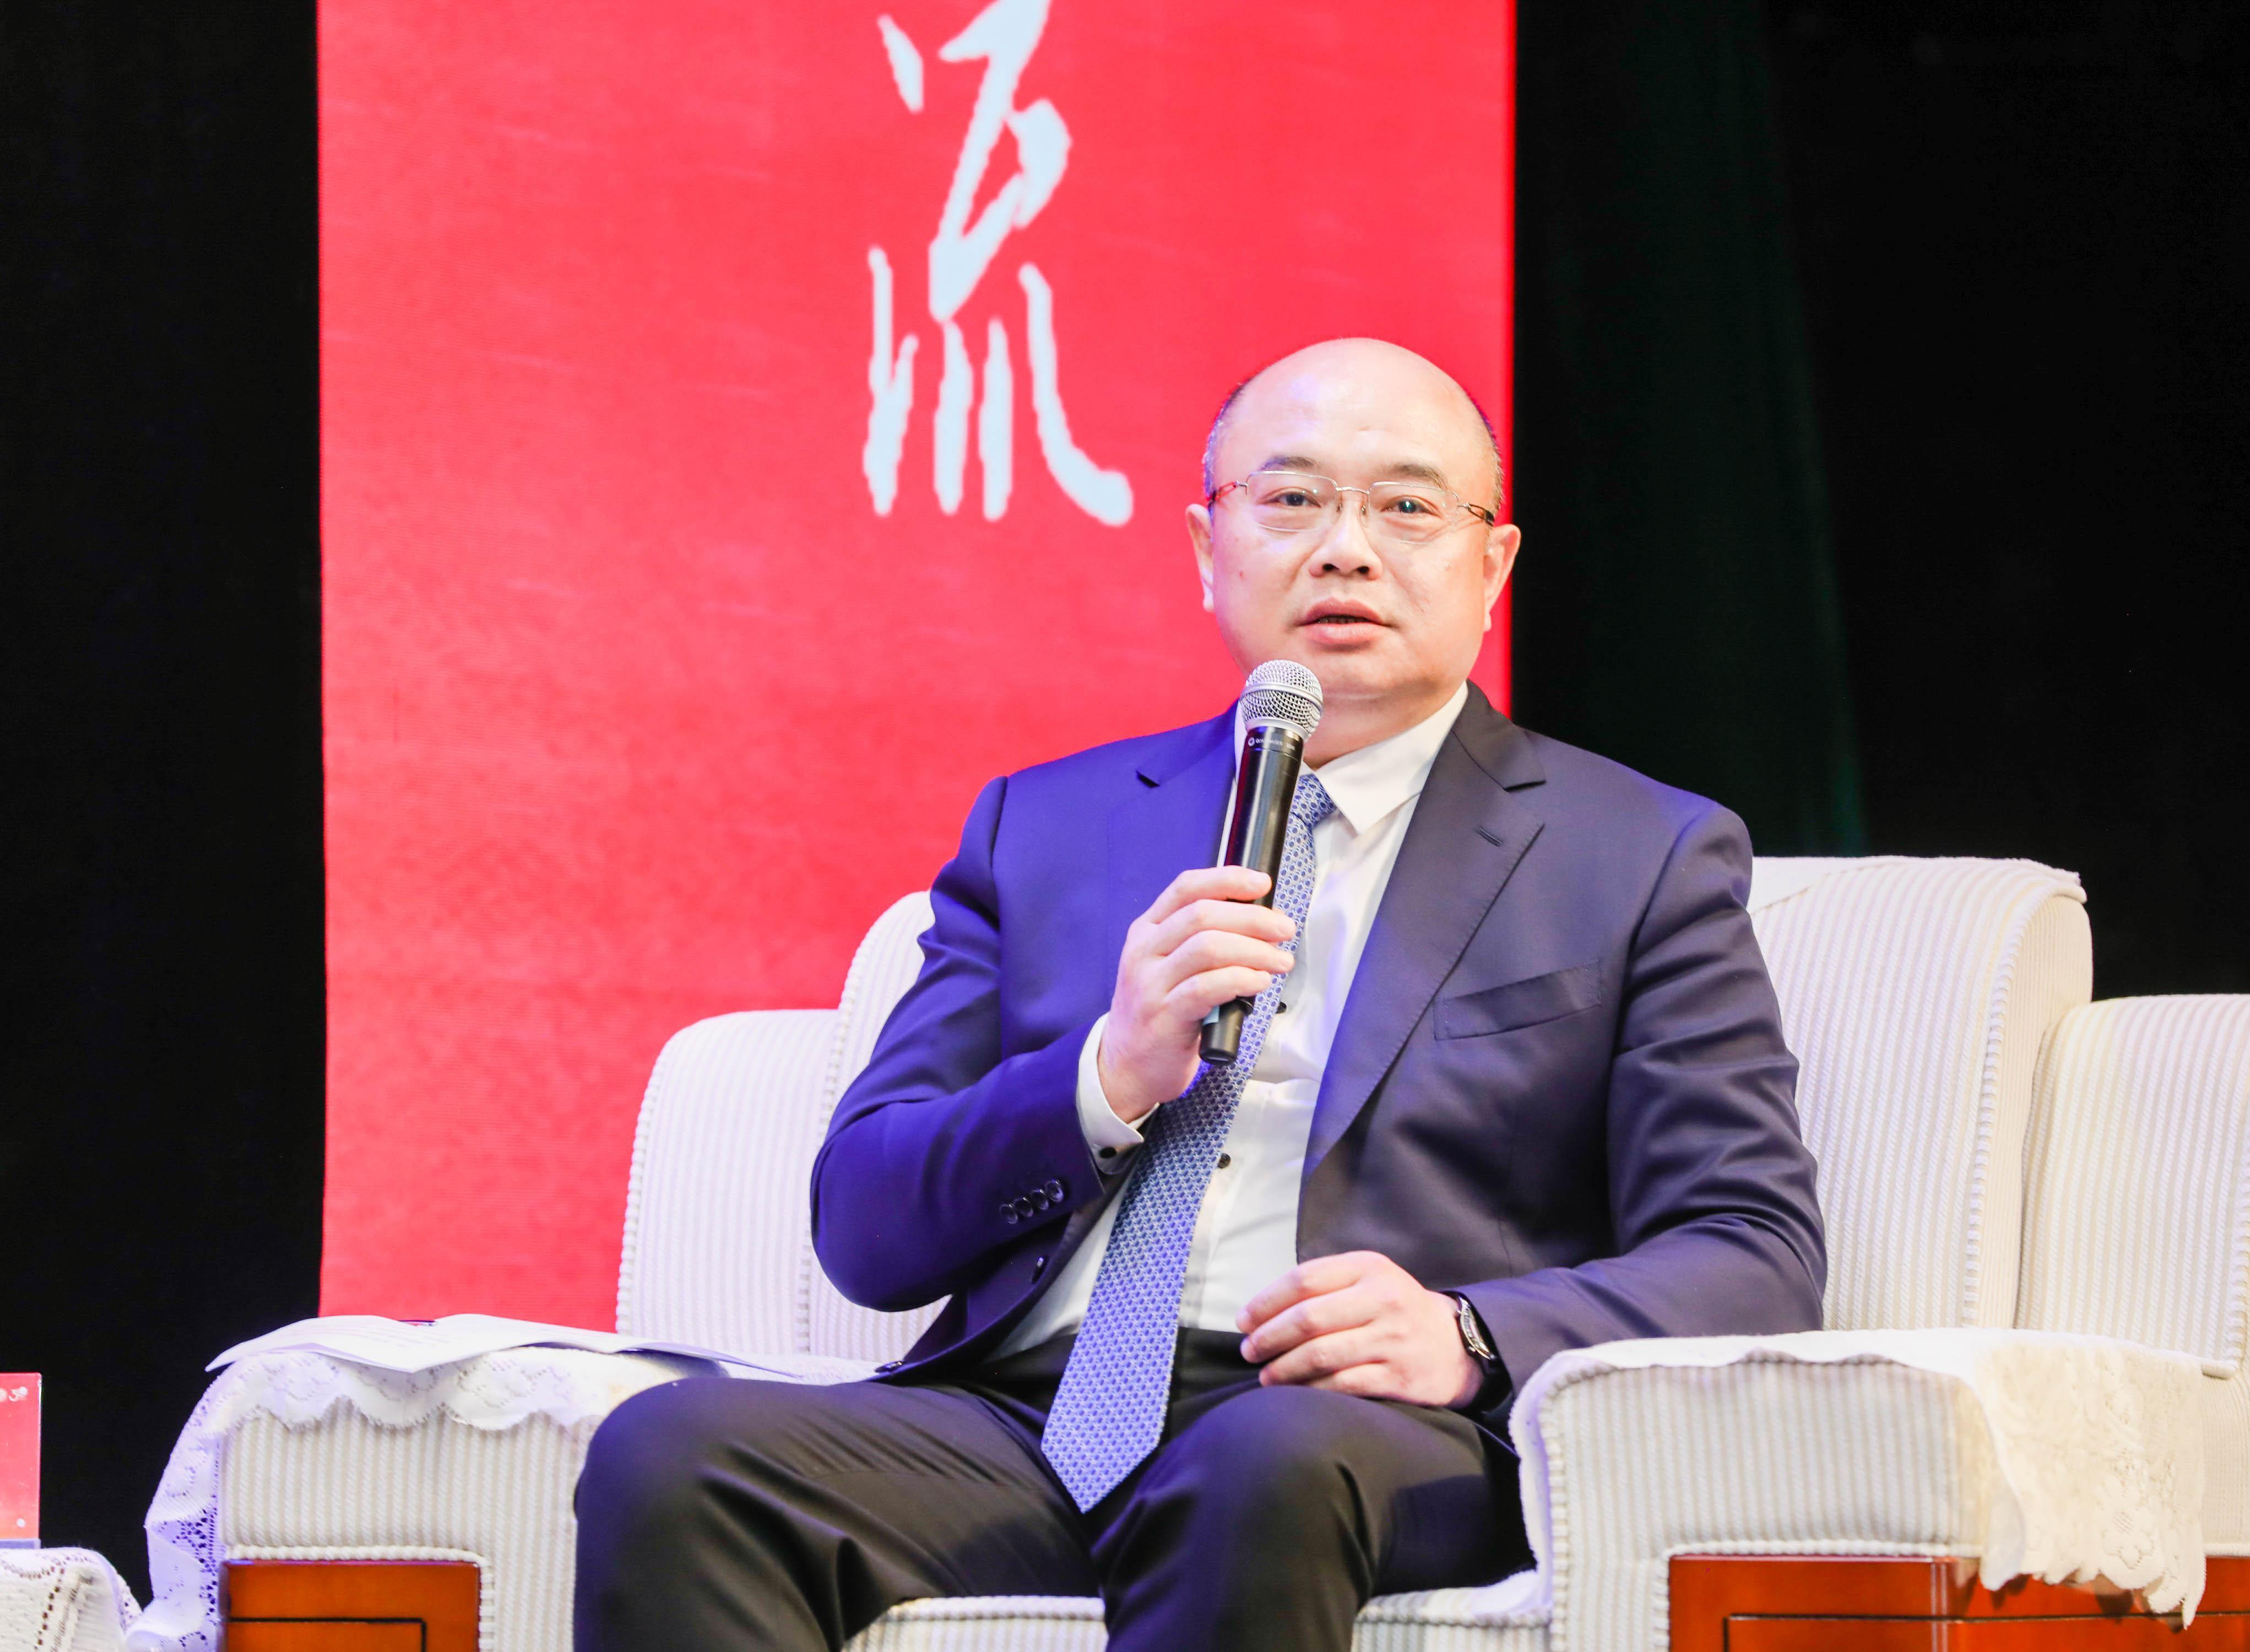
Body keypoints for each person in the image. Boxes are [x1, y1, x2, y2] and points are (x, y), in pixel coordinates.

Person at [573, 338, 1826, 1651]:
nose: (1345, 551)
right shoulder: (1043, 828)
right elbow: (867, 1227)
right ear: (1205, 547)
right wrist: (1105, 1076)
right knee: (677, 1456)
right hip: (1031, 1419)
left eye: (1407, 506)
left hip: (1364, 1433)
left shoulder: (1635, 853)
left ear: (1493, 566)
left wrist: (1468, 1331)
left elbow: (1753, 1250)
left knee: (1257, 1466)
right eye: (1291, 500)